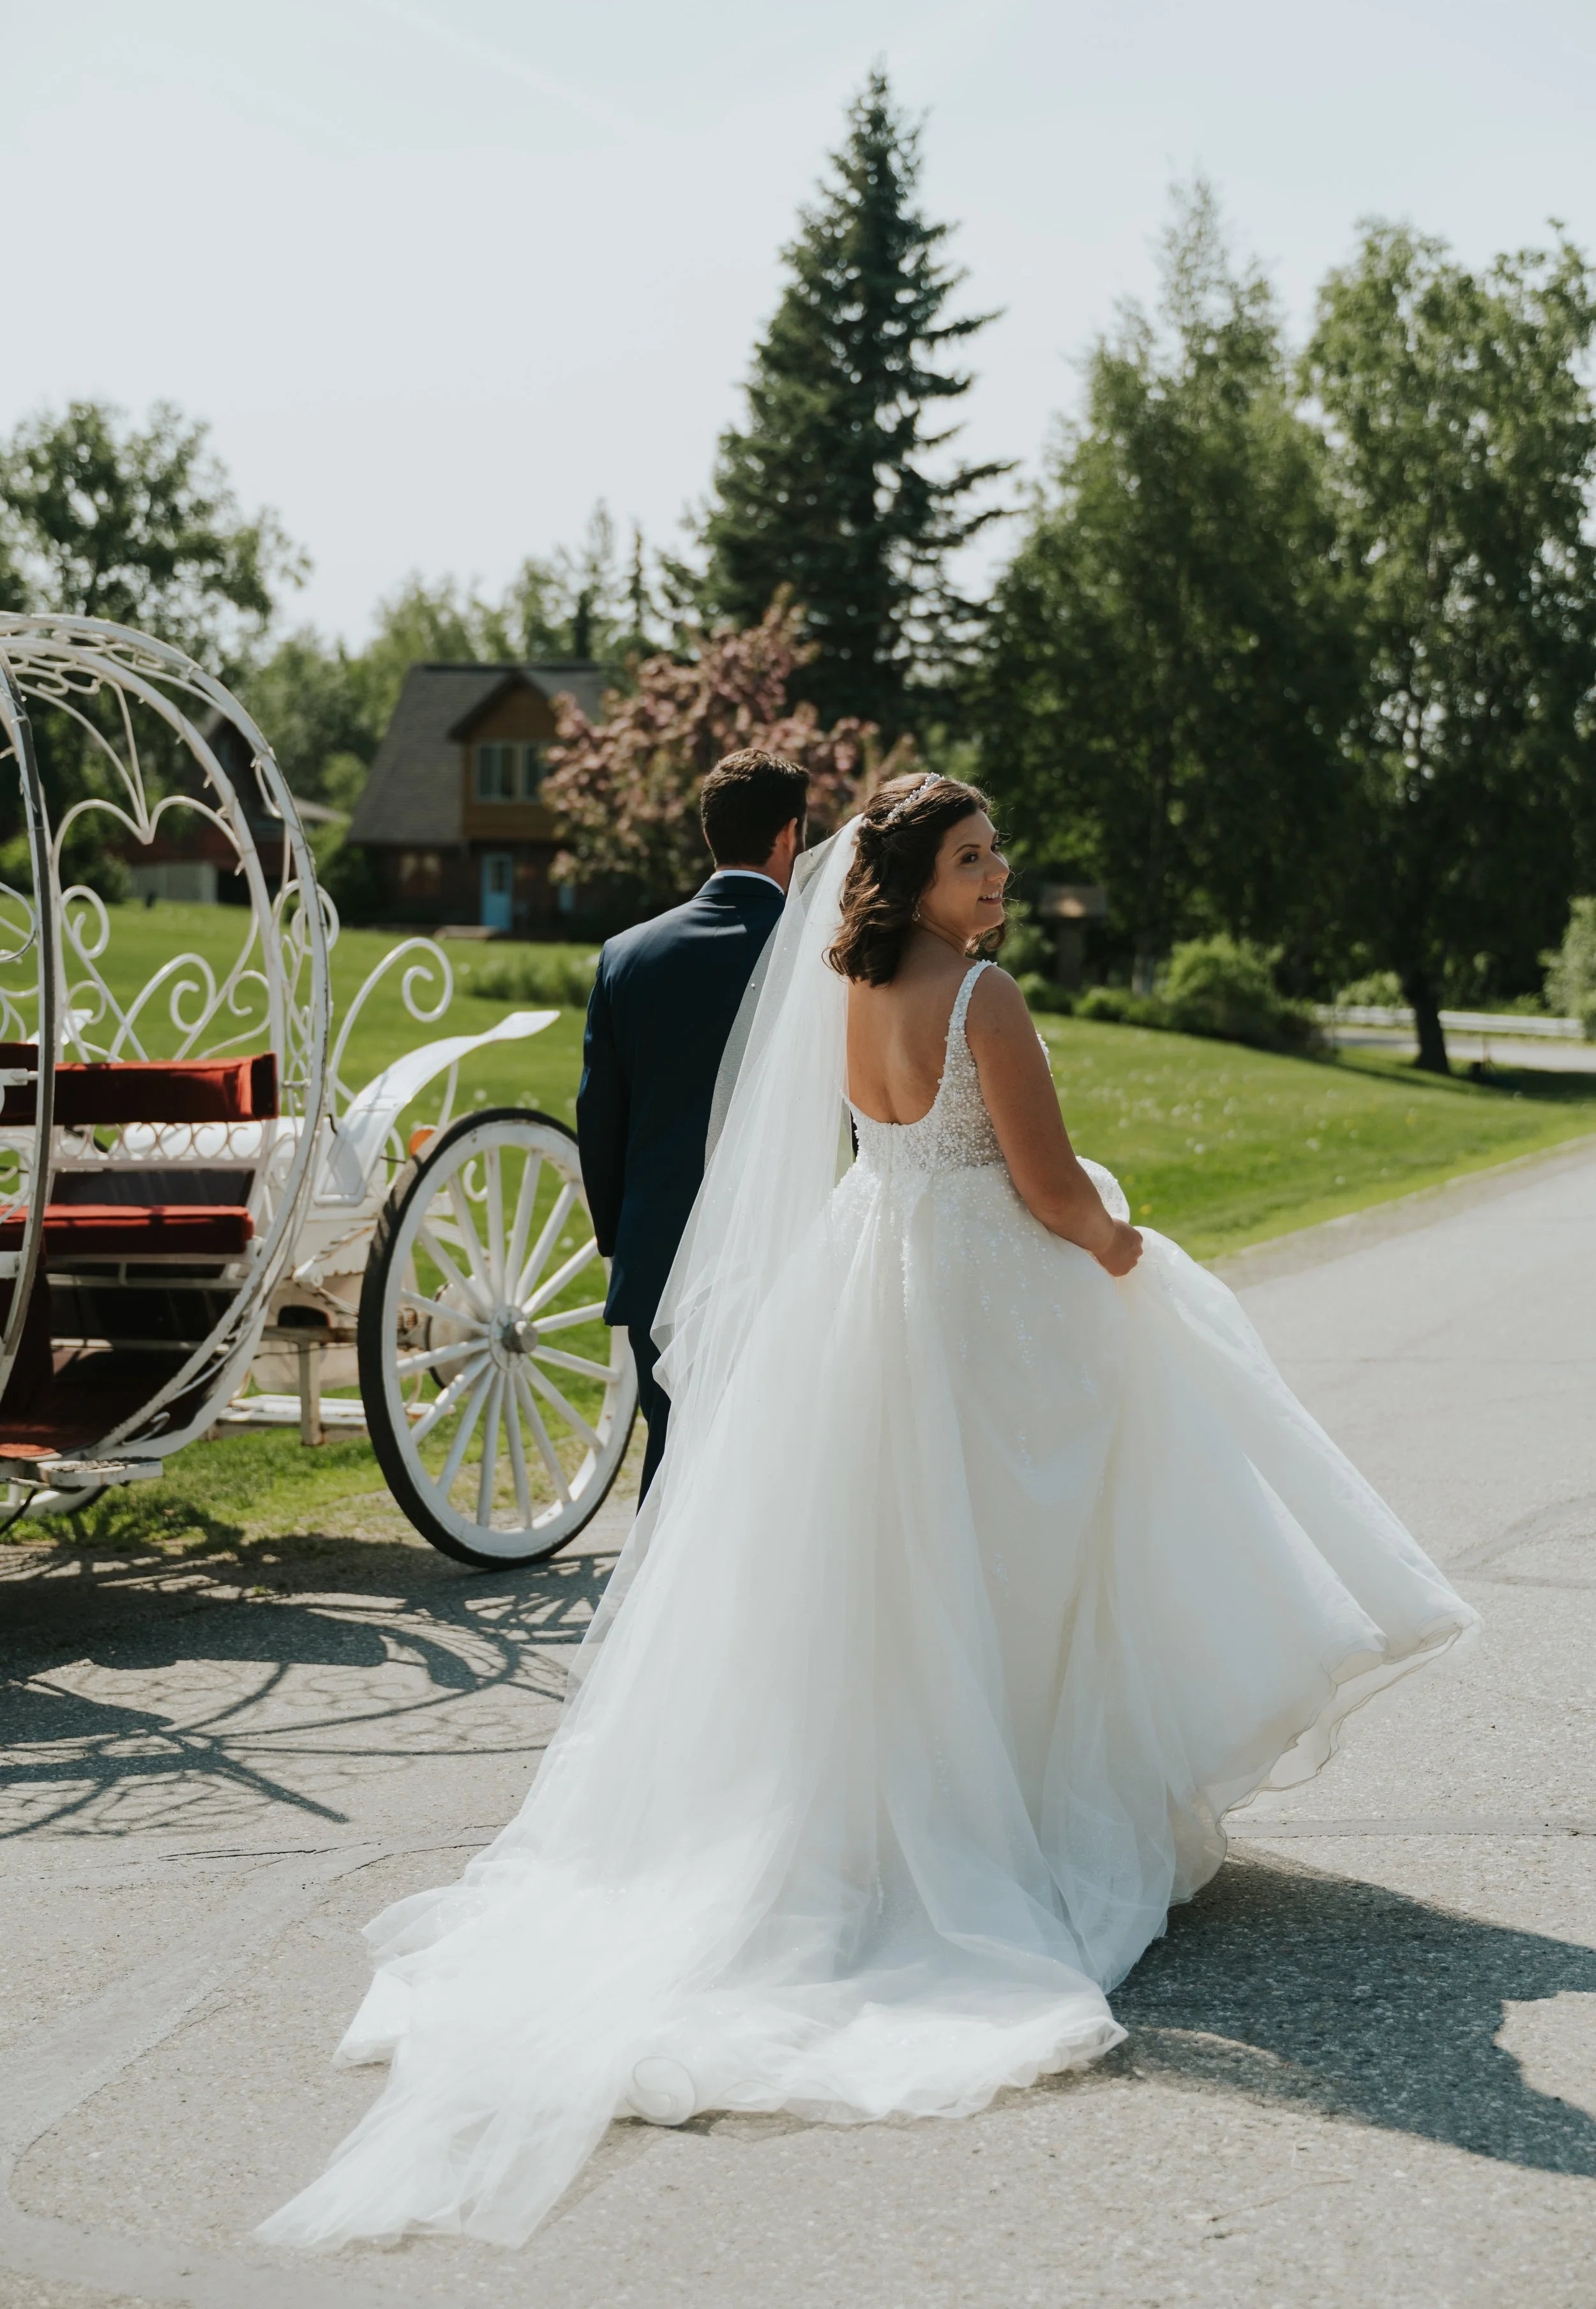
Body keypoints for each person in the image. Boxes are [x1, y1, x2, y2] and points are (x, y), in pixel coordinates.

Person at [260, 774, 1477, 2254]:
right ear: (915, 879)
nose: (1002, 874)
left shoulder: (846, 988)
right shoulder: (986, 997)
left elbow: (880, 1155)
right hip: (979, 1306)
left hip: (871, 1289)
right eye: (975, 858)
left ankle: (919, 1804)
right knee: (1032, 1545)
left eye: (998, 853)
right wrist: (1120, 1237)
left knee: (893, 1574)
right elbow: (1040, 1186)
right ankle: (1026, 1809)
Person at [575, 747, 808, 1497]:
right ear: (790, 836)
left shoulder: (627, 954)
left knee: (675, 1460)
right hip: (784, 1251)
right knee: (772, 1466)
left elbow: (599, 1121)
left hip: (657, 1255)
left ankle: (652, 1614)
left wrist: (626, 1244)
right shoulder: (818, 953)